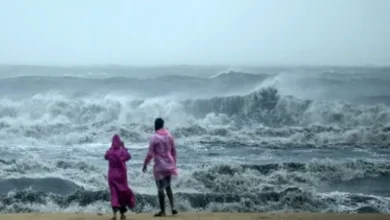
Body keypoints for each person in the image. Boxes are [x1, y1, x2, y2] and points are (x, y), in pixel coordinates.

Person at [143, 118, 178, 217]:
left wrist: (145, 164)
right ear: (163, 125)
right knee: (168, 187)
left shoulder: (154, 138)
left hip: (159, 167)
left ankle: (162, 211)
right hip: (169, 165)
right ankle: (173, 208)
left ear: (155, 125)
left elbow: (150, 154)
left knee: (160, 189)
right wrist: (173, 164)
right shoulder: (169, 136)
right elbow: (174, 152)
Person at [105, 134, 136, 220]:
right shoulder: (122, 151)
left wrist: (111, 148)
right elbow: (129, 156)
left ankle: (115, 214)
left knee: (114, 194)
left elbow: (105, 156)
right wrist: (123, 147)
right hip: (121, 176)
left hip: (111, 176)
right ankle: (122, 214)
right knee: (122, 194)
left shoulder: (110, 151)